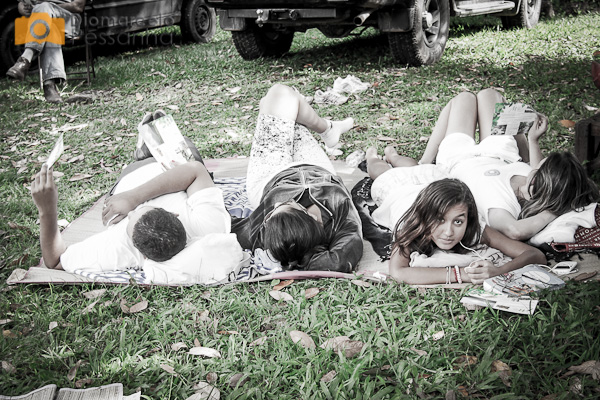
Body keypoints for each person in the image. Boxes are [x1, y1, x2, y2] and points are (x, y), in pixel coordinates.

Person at [366, 88, 599, 241]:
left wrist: (555, 209)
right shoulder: (534, 179)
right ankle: (413, 160)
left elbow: (515, 231)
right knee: (490, 94)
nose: (536, 164)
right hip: (500, 153)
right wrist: (533, 140)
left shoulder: (500, 203)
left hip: (460, 158)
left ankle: (419, 161)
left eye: (541, 165)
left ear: (540, 180)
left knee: (463, 99)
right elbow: (536, 169)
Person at [31, 119, 231, 276]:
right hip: (174, 171)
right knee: (189, 151)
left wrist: (47, 210)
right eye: (138, 211)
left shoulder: (119, 248)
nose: (130, 213)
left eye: (130, 220)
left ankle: (143, 150)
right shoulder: (210, 226)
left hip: (134, 173)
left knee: (149, 152)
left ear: (141, 254)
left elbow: (55, 261)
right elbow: (195, 170)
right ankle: (155, 139)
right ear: (174, 214)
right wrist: (133, 199)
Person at [231, 84, 362, 272]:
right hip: (316, 167)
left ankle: (328, 128)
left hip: (269, 175)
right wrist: (303, 256)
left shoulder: (266, 231)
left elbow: (223, 224)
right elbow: (338, 261)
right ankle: (327, 129)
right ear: (311, 217)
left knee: (277, 99)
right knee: (282, 100)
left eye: (272, 213)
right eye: (288, 204)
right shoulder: (341, 212)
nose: (276, 204)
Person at [388, 179, 545, 285]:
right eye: (439, 220)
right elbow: (398, 272)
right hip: (398, 190)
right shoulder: (411, 227)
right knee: (386, 170)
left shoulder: (476, 229)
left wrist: (499, 271)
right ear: (425, 216)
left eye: (458, 222)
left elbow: (535, 255)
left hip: (432, 184)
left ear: (468, 220)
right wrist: (461, 274)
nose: (448, 232)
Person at [6, 0, 86, 103]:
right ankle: (49, 85)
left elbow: (78, 6)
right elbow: (22, 3)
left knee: (44, 8)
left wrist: (45, 8)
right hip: (41, 21)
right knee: (49, 27)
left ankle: (25, 58)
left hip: (68, 20)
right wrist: (22, 7)